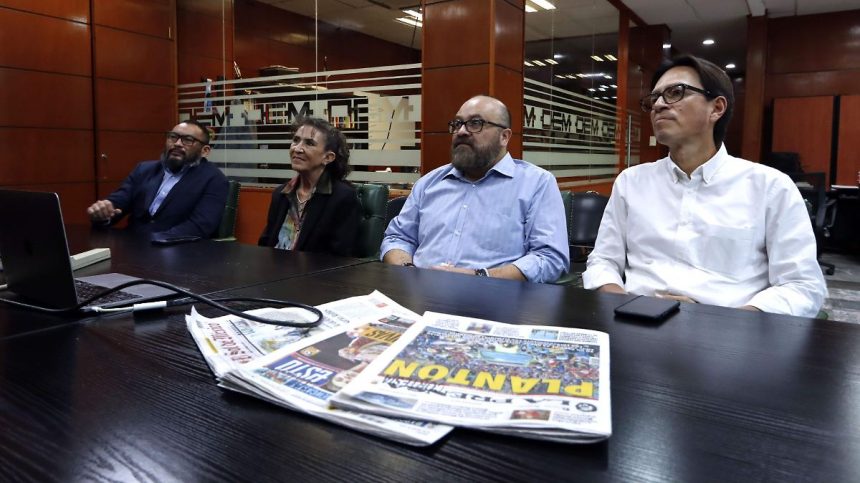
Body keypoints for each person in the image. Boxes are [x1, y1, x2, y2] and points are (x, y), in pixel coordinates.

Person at [582, 55, 827, 317]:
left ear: (716, 108)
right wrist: (623, 303)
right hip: (634, 320)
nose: (659, 105)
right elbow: (603, 260)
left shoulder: (770, 187)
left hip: (729, 330)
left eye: (675, 93)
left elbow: (802, 286)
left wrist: (721, 322)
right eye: (654, 98)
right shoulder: (631, 182)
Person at [381, 95, 569, 283]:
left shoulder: (537, 183)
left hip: (493, 296)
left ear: (504, 136)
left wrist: (480, 277)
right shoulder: (429, 183)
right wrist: (408, 271)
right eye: (457, 124)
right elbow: (398, 238)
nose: (461, 131)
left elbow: (549, 258)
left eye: (475, 123)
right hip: (418, 292)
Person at [87, 120, 229, 241]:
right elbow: (118, 202)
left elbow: (200, 226)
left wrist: (154, 240)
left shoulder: (214, 180)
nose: (177, 143)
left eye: (187, 140)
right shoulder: (144, 169)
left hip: (178, 252)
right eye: (173, 137)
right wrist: (103, 213)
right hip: (132, 247)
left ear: (205, 151)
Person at [258, 117, 360, 256]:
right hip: (274, 267)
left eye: (309, 143)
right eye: (296, 140)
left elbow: (340, 257)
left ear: (328, 157)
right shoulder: (281, 193)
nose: (297, 148)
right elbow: (265, 244)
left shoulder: (343, 197)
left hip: (315, 270)